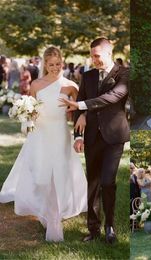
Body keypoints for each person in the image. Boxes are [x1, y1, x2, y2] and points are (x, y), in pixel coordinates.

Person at [0, 46, 88, 242]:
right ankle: (45, 211)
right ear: (45, 65)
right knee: (41, 177)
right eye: (51, 65)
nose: (55, 68)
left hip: (59, 133)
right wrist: (26, 115)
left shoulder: (70, 86)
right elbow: (31, 109)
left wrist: (82, 123)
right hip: (39, 134)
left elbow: (81, 108)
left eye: (58, 64)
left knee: (57, 175)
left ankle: (55, 223)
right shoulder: (36, 85)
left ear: (62, 63)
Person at [59, 37, 129, 244]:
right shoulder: (87, 76)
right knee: (93, 184)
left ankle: (110, 227)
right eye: (91, 56)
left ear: (109, 53)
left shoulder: (124, 74)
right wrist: (78, 135)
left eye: (97, 56)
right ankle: (93, 229)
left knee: (108, 182)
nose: (94, 59)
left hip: (114, 136)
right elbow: (77, 110)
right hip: (91, 137)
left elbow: (112, 98)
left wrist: (81, 106)